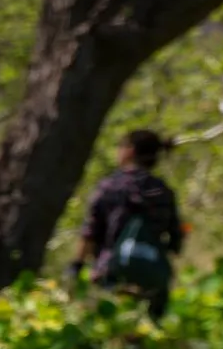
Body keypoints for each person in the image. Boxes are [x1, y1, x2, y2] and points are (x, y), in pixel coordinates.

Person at [77, 128, 184, 321]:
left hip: (110, 272)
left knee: (107, 329)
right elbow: (176, 241)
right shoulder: (163, 191)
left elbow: (90, 232)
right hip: (151, 275)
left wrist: (77, 265)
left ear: (130, 150)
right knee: (148, 331)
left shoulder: (110, 186)